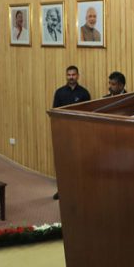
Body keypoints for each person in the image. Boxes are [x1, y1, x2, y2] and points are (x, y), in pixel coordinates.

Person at [51, 66, 91, 199]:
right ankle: (61, 190)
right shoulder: (59, 93)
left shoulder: (84, 93)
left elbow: (88, 115)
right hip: (63, 134)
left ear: (78, 76)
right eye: (69, 75)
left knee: (79, 163)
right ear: (66, 76)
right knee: (63, 163)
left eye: (73, 75)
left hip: (79, 134)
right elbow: (54, 113)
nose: (71, 77)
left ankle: (79, 190)